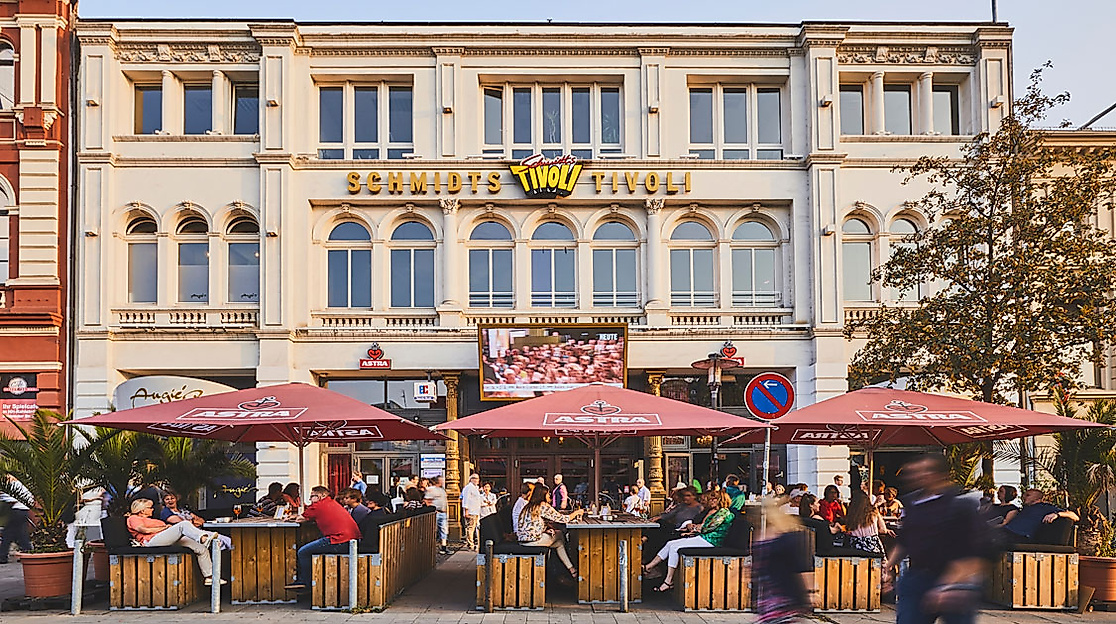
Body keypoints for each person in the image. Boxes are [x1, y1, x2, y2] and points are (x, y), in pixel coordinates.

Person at [883, 454, 994, 624]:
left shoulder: (961, 503)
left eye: (925, 471)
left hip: (957, 582)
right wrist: (888, 567)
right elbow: (905, 540)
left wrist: (948, 584)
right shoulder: (913, 502)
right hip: (917, 578)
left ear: (940, 474)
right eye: (915, 472)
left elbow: (978, 550)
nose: (918, 476)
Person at [643, 491, 734, 592]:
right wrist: (695, 529)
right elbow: (703, 528)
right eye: (711, 499)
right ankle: (649, 567)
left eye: (715, 499)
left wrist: (694, 528)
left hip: (711, 540)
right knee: (670, 543)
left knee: (674, 547)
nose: (712, 501)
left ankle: (668, 581)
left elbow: (707, 528)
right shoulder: (717, 511)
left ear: (721, 500)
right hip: (704, 537)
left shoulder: (723, 512)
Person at [126, 499, 224, 585]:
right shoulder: (134, 518)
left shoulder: (150, 519)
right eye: (150, 507)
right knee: (183, 524)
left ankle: (210, 577)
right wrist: (164, 527)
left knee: (201, 548)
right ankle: (203, 538)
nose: (152, 509)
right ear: (142, 510)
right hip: (151, 541)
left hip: (164, 538)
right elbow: (143, 530)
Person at [752, 498, 817, 623]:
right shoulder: (788, 538)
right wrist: (810, 592)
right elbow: (800, 567)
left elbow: (757, 568)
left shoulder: (760, 537)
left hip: (768, 595)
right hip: (785, 594)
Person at [285, 486, 361, 591]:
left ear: (322, 496)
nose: (310, 499)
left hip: (338, 540)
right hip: (351, 540)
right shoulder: (332, 503)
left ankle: (305, 583)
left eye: (313, 496)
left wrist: (295, 517)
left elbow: (300, 519)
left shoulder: (318, 506)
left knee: (303, 552)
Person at [516, 484, 583, 579]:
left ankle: (571, 569)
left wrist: (546, 529)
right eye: (548, 494)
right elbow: (563, 519)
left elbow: (533, 524)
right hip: (533, 541)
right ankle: (562, 569)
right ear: (543, 495)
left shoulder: (528, 506)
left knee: (559, 543)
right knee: (560, 534)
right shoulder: (543, 505)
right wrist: (577, 513)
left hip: (523, 540)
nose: (550, 496)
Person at [1003, 488, 1079, 543]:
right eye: (1024, 495)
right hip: (1007, 532)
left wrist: (1057, 514)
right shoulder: (1025, 509)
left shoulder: (1044, 507)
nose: (1024, 497)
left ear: (1037, 498)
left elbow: (1075, 516)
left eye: (1028, 495)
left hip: (1021, 536)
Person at [844, 490, 893, 554]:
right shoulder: (874, 513)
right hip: (872, 546)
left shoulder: (851, 515)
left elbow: (848, 529)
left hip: (855, 547)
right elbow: (883, 530)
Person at [0, 476, 32, 563]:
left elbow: (9, 499)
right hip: (24, 511)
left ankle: (2, 556)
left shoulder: (13, 485)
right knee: (21, 534)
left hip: (16, 511)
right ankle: (28, 551)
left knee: (8, 534)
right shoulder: (24, 485)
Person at [424, 475, 450, 556]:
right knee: (433, 530)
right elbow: (427, 501)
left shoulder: (442, 490)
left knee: (444, 530)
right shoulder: (432, 490)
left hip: (443, 512)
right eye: (441, 480)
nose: (442, 482)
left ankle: (444, 547)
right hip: (436, 513)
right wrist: (433, 510)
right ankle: (431, 548)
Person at [460, 473, 483, 550]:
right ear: (471, 479)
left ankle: (474, 543)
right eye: (475, 478)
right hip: (471, 511)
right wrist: (466, 510)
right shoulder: (468, 488)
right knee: (470, 528)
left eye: (478, 478)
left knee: (475, 528)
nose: (477, 480)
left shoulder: (475, 488)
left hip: (476, 511)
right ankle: (470, 544)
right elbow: (465, 499)